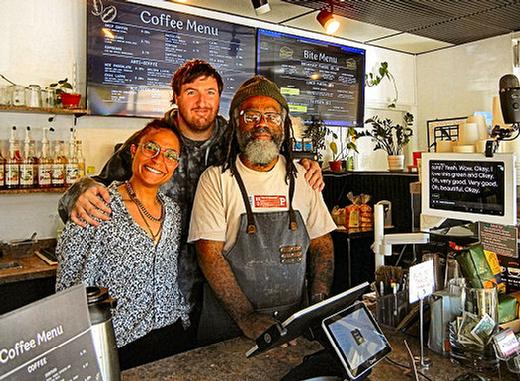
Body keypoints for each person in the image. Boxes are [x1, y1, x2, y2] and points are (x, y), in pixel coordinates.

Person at [57, 59, 324, 346]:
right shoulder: (154, 139)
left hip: (221, 285)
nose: (202, 102)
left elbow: (268, 148)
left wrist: (305, 164)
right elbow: (99, 188)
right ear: (175, 97)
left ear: (220, 99)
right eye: (191, 92)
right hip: (167, 289)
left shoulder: (233, 136)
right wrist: (80, 191)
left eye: (210, 92)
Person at [188, 76, 336, 342]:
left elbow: (322, 244)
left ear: (284, 124)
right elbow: (209, 255)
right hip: (229, 329)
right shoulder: (216, 179)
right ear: (236, 124)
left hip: (293, 325)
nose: (262, 125)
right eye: (251, 116)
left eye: (271, 115)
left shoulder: (303, 177)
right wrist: (246, 317)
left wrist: (318, 302)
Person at [56, 119, 190, 370]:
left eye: (170, 155)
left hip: (170, 336)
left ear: (175, 165)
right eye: (151, 148)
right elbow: (69, 286)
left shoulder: (173, 212)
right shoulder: (97, 206)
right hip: (118, 344)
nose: (159, 159)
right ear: (133, 151)